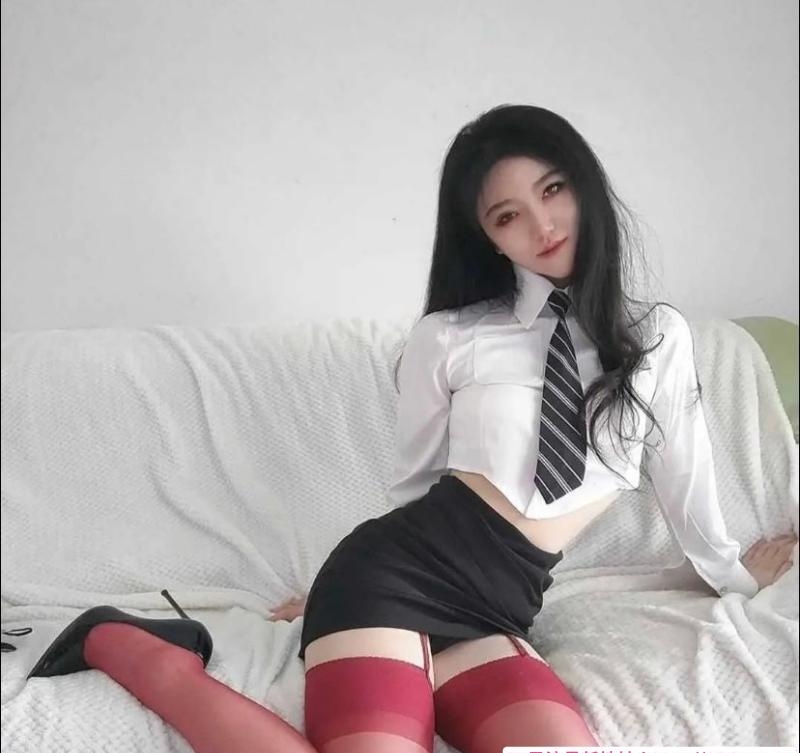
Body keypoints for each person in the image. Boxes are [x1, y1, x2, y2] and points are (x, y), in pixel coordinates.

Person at [24, 104, 797, 753]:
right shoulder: (452, 336)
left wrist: (735, 573)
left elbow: (685, 481)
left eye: (553, 190)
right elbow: (418, 485)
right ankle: (127, 646)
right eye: (507, 214)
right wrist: (328, 592)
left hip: (500, 609)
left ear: (585, 185)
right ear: (487, 236)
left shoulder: (659, 338)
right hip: (388, 582)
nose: (541, 224)